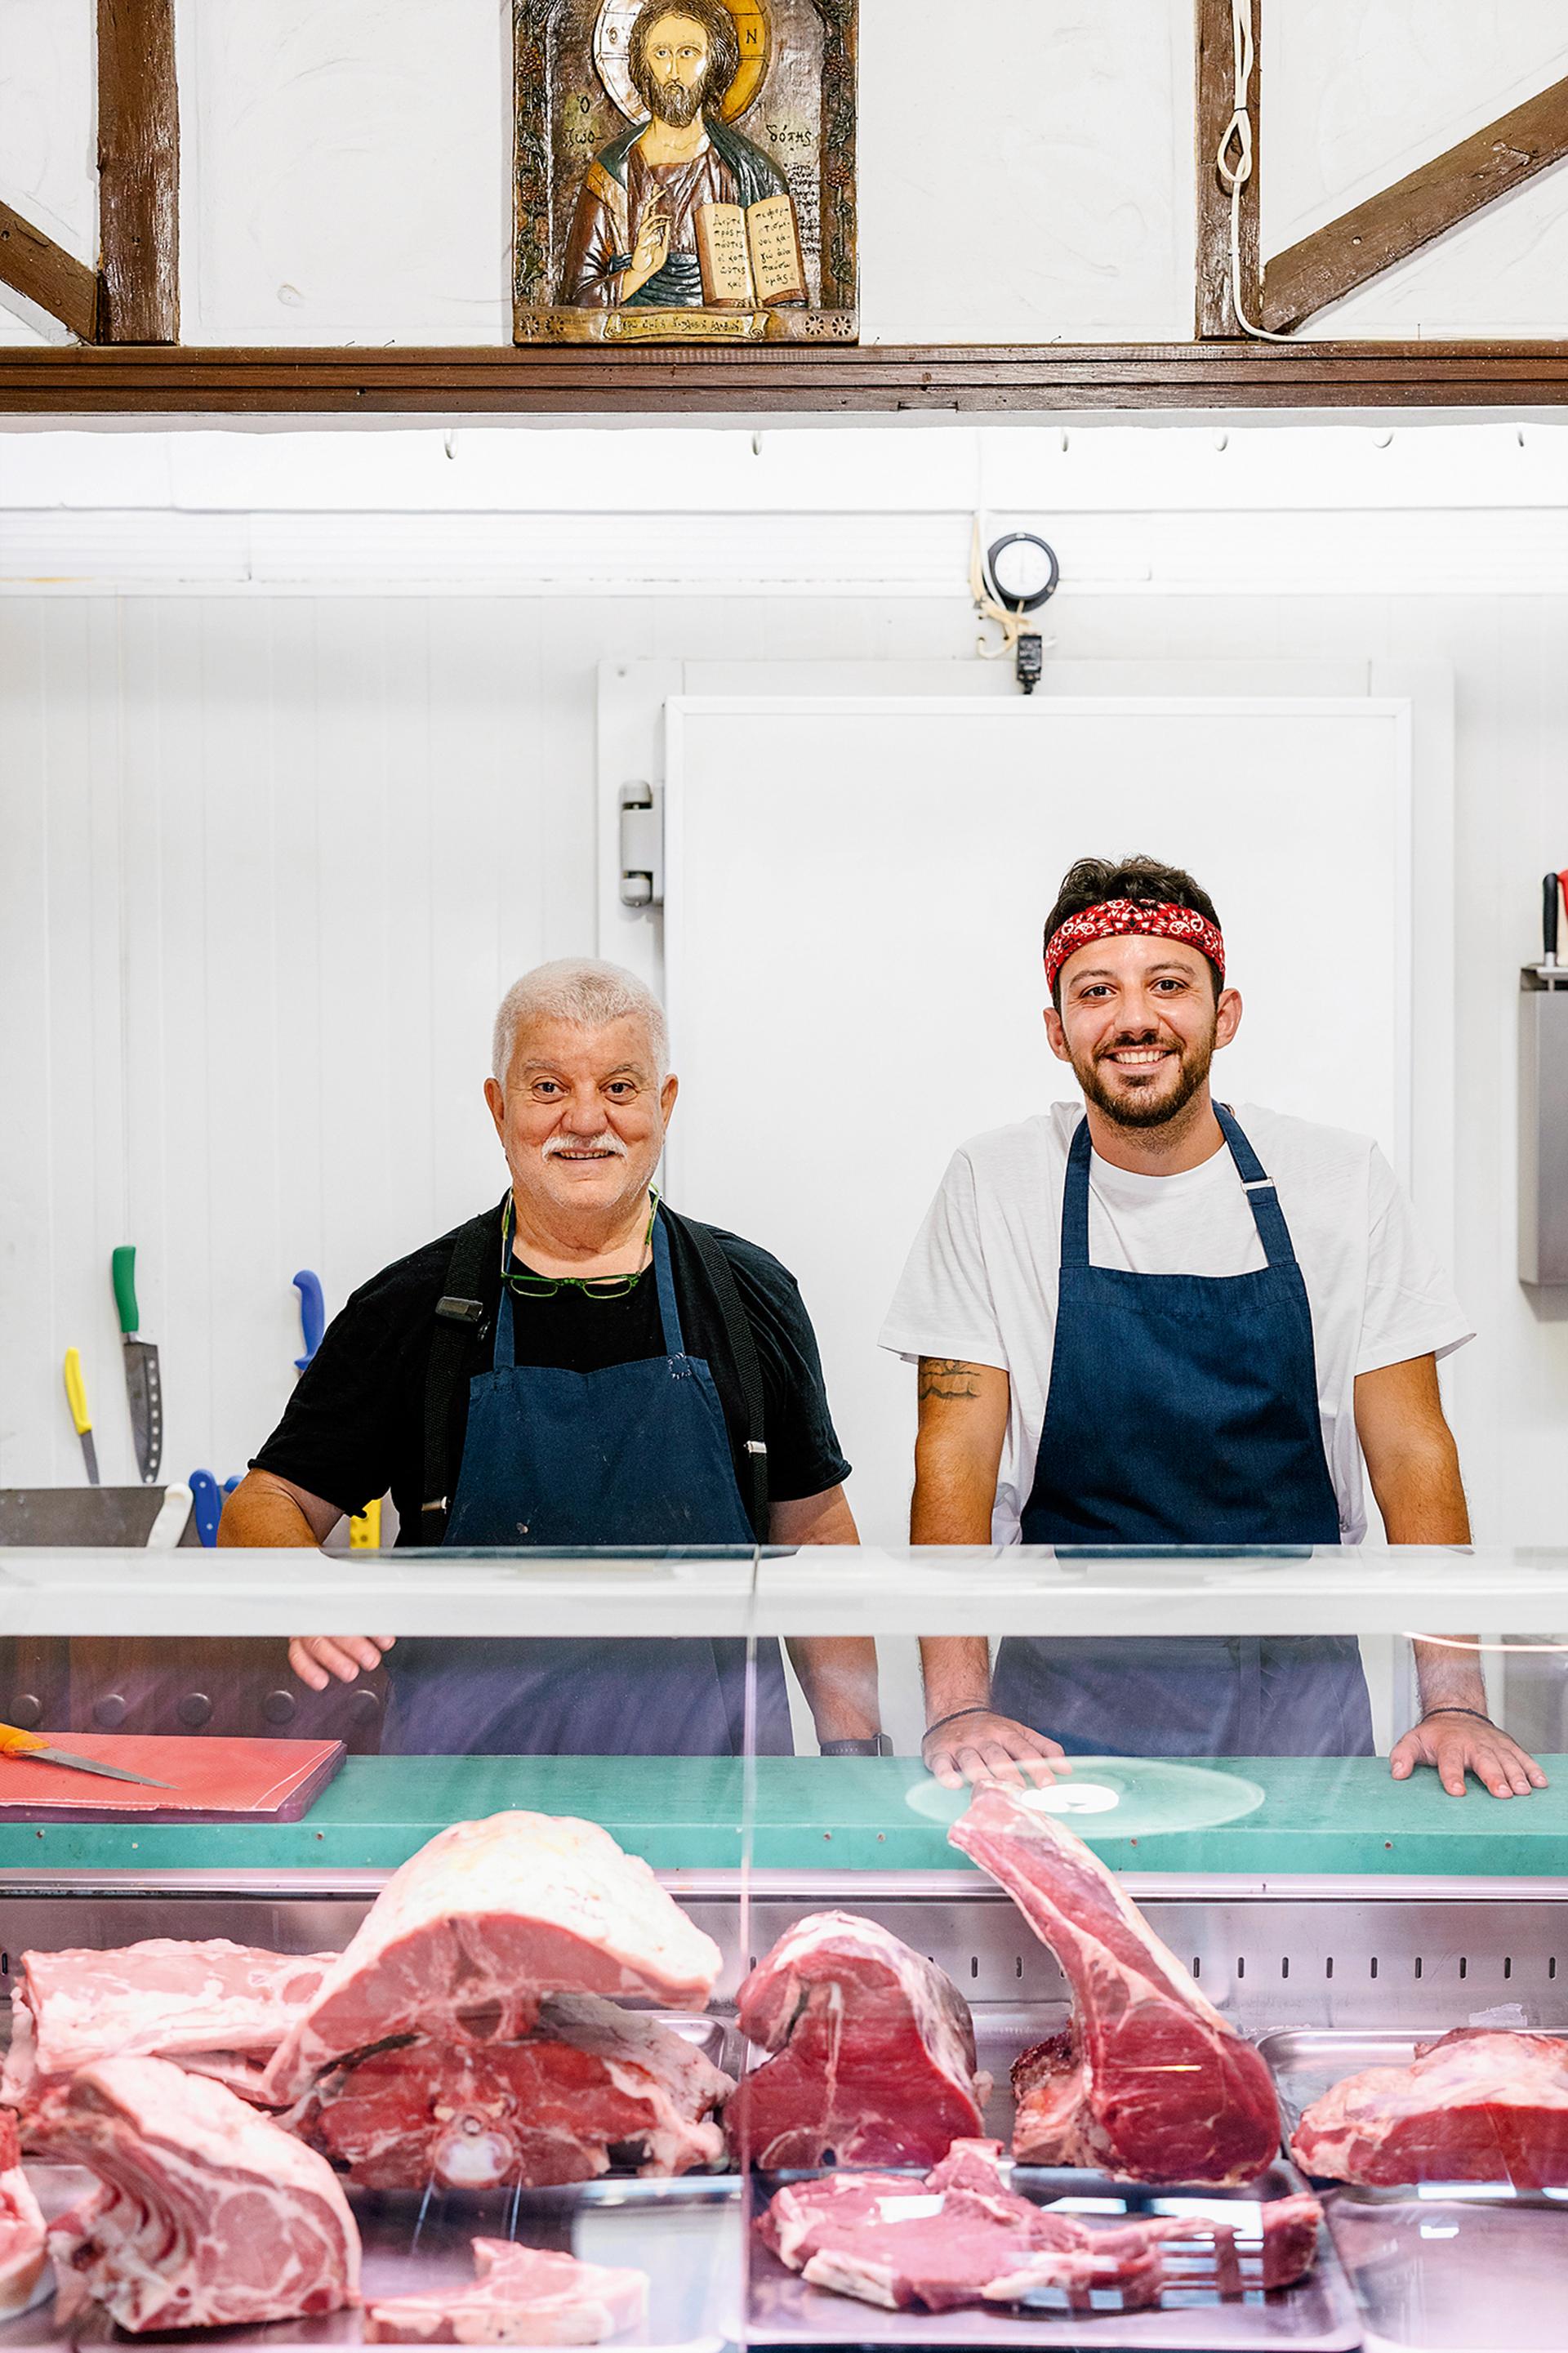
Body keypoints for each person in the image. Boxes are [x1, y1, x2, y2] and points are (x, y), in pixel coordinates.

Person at [882, 855, 1547, 1804]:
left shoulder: (1339, 1179)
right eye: (1097, 990)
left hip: (1299, 1693)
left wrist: (1456, 1700)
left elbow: (1412, 1452)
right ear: (1056, 1028)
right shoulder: (995, 1185)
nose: (1135, 1018)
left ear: (1223, 1014)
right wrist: (957, 1707)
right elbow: (954, 1457)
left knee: (1309, 1905)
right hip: (1065, 1703)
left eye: (1169, 984)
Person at [221, 959, 880, 1760]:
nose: (586, 1119)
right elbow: (264, 1502)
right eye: (547, 1088)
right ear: (499, 1108)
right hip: (464, 1799)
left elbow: (816, 1536)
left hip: (718, 1799)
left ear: (665, 1103)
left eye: (620, 1087)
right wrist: (307, 1590)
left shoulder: (748, 1295)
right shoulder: (411, 1307)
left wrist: (855, 1761)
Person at [559, 0, 798, 309]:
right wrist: (636, 274)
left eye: (688, 53)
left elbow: (784, 305)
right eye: (661, 53)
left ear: (714, 62)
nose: (673, 71)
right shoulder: (613, 172)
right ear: (643, 64)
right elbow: (575, 302)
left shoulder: (753, 173)